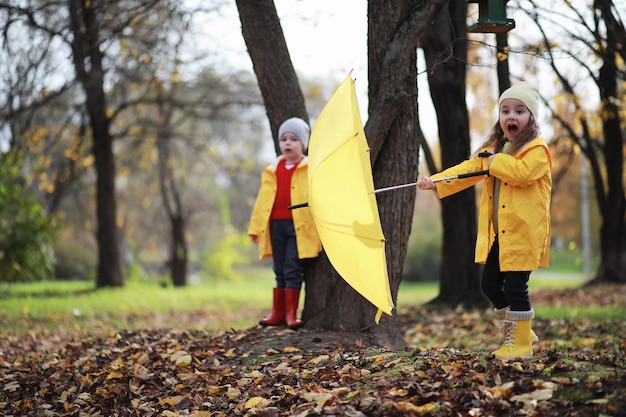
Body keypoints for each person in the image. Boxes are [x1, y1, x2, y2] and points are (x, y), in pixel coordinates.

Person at [416, 82, 552, 359]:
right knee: (489, 285)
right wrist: (435, 182)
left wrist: (494, 162)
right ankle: (521, 331)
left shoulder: (538, 151)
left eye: (519, 111)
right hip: (503, 234)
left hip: (525, 233)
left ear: (532, 119)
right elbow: (468, 170)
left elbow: (522, 174)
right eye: (505, 111)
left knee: (515, 286)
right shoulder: (495, 151)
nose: (510, 116)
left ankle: (521, 345)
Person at [248, 117, 322, 330]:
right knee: (279, 268)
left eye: (294, 139)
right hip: (275, 225)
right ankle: (277, 313)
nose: (287, 144)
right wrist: (255, 228)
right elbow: (262, 201)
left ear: (304, 144)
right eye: (283, 139)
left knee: (292, 268)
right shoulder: (273, 168)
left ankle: (291, 314)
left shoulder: (308, 168)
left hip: (299, 226)